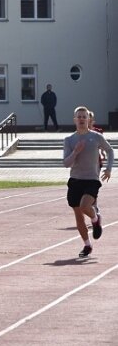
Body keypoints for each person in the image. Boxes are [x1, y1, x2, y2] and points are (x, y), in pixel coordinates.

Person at [63, 106, 113, 258]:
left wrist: (109, 169)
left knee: (86, 206)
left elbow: (110, 151)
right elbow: (66, 163)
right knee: (78, 216)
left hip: (91, 179)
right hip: (75, 180)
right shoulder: (69, 140)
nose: (82, 119)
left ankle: (95, 218)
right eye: (79, 117)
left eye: (84, 117)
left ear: (89, 119)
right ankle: (87, 245)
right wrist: (75, 151)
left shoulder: (96, 137)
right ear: (74, 120)